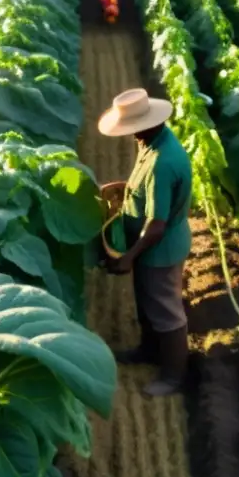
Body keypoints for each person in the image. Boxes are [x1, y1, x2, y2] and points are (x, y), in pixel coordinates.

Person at [98, 88, 192, 397]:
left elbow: (156, 226)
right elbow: (149, 192)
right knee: (148, 302)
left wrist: (129, 256)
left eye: (133, 128)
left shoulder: (162, 163)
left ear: (149, 123)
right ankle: (149, 350)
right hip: (152, 247)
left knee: (166, 311)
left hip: (159, 249)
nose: (130, 135)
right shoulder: (154, 141)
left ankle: (175, 376)